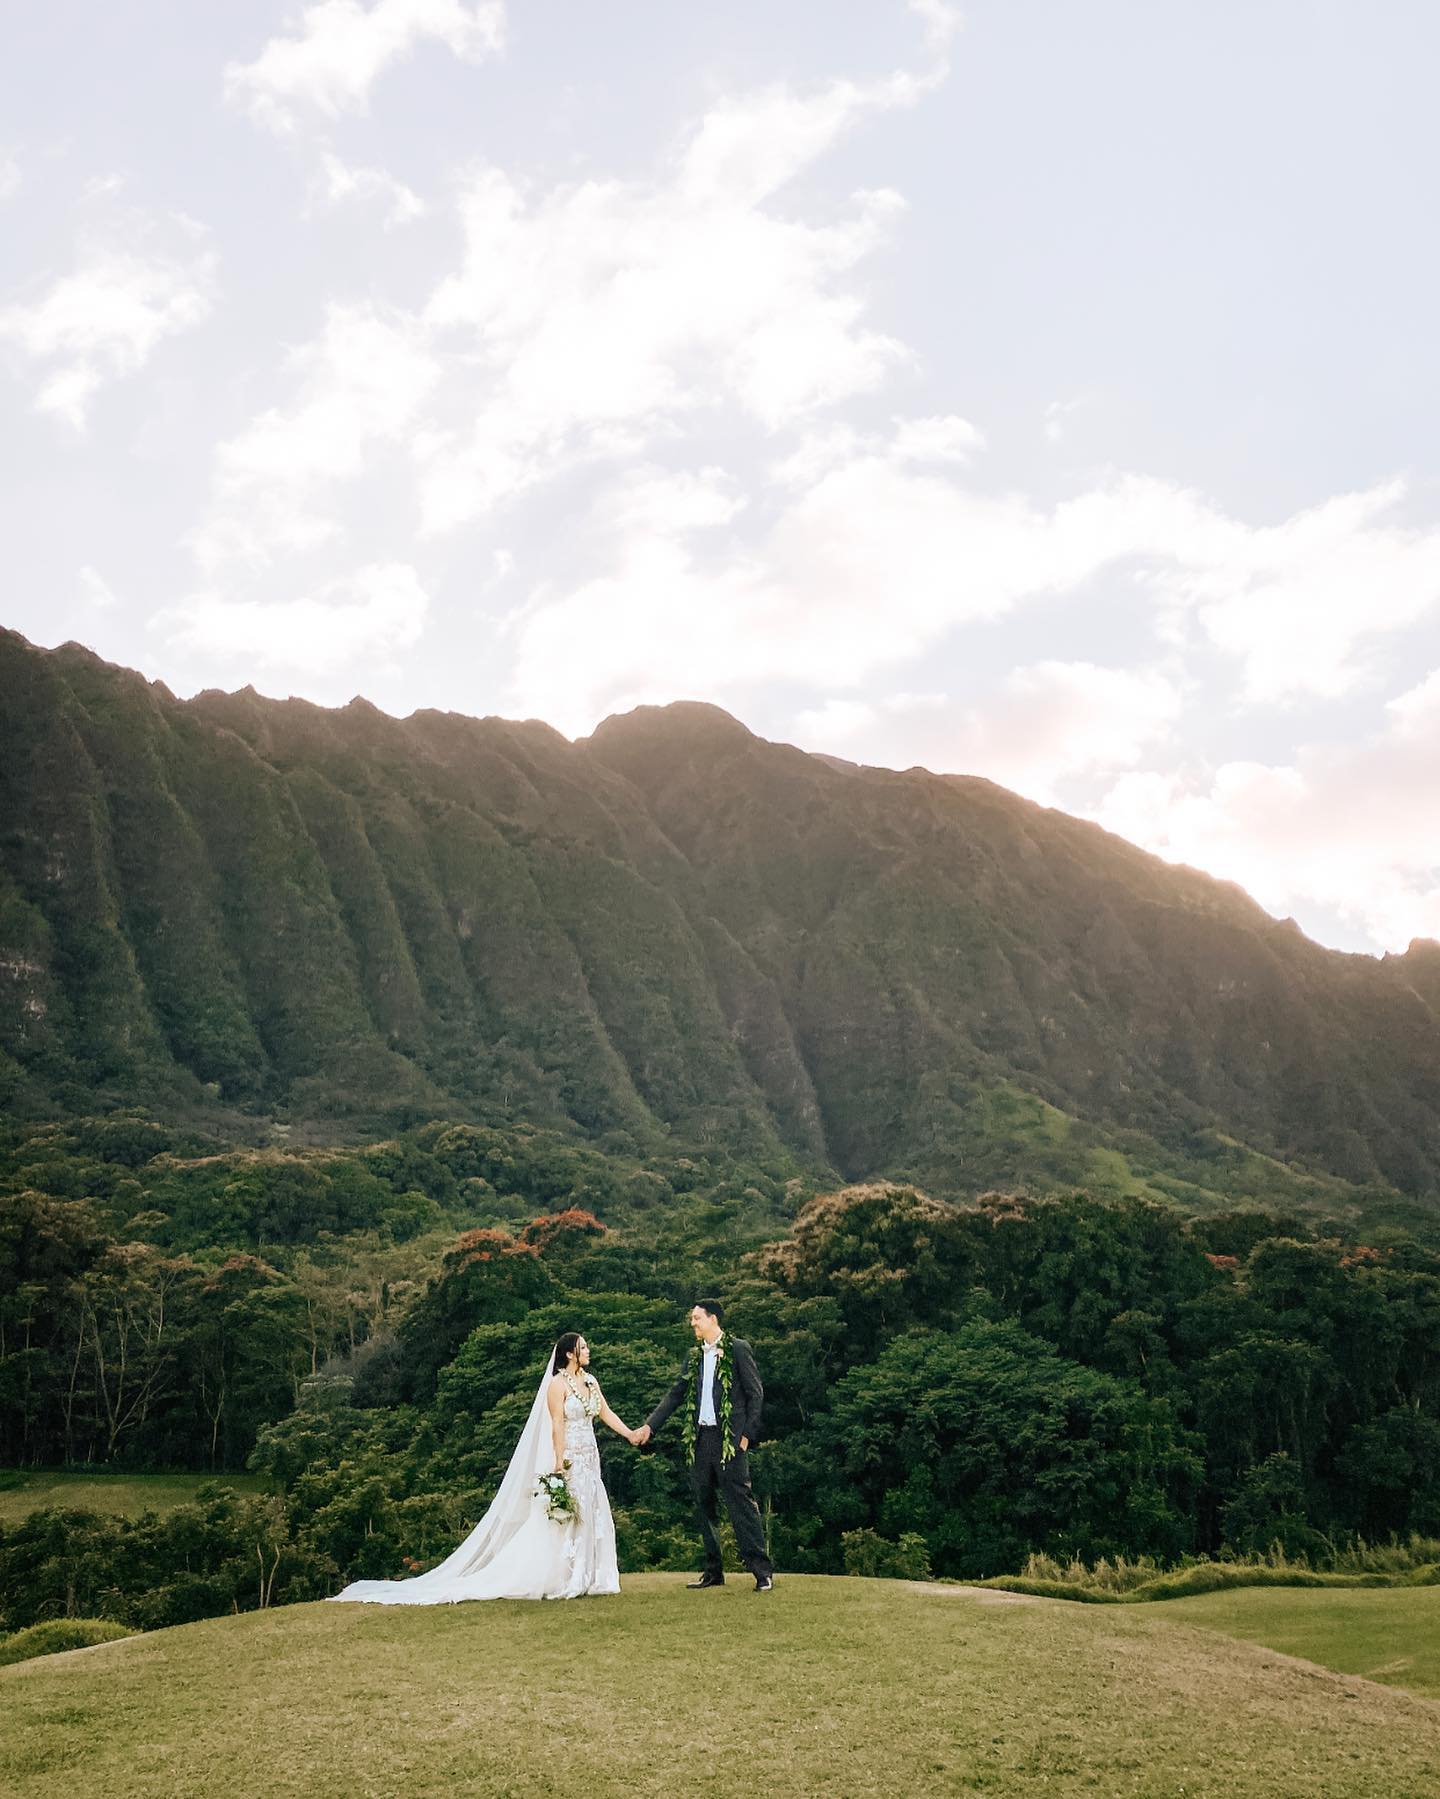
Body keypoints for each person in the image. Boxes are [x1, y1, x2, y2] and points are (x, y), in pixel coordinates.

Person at [329, 1333, 641, 1604]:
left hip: (591, 1458)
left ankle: (590, 1576)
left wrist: (629, 1433)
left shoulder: (590, 1381)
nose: (588, 1351)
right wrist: (559, 1461)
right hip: (571, 1456)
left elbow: (604, 1412)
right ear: (570, 1353)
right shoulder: (557, 1385)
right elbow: (557, 1424)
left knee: (591, 1512)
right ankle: (564, 1577)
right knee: (567, 1517)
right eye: (583, 1348)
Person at [636, 1300, 774, 1591]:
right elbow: (676, 1393)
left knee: (741, 1505)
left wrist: (746, 1436)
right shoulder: (694, 1356)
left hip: (730, 1441)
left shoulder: (737, 1348)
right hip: (700, 1439)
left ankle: (762, 1572)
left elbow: (755, 1393)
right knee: (703, 1505)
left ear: (713, 1319)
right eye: (692, 1318)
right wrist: (650, 1426)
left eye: (697, 1318)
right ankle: (713, 1572)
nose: (693, 1323)